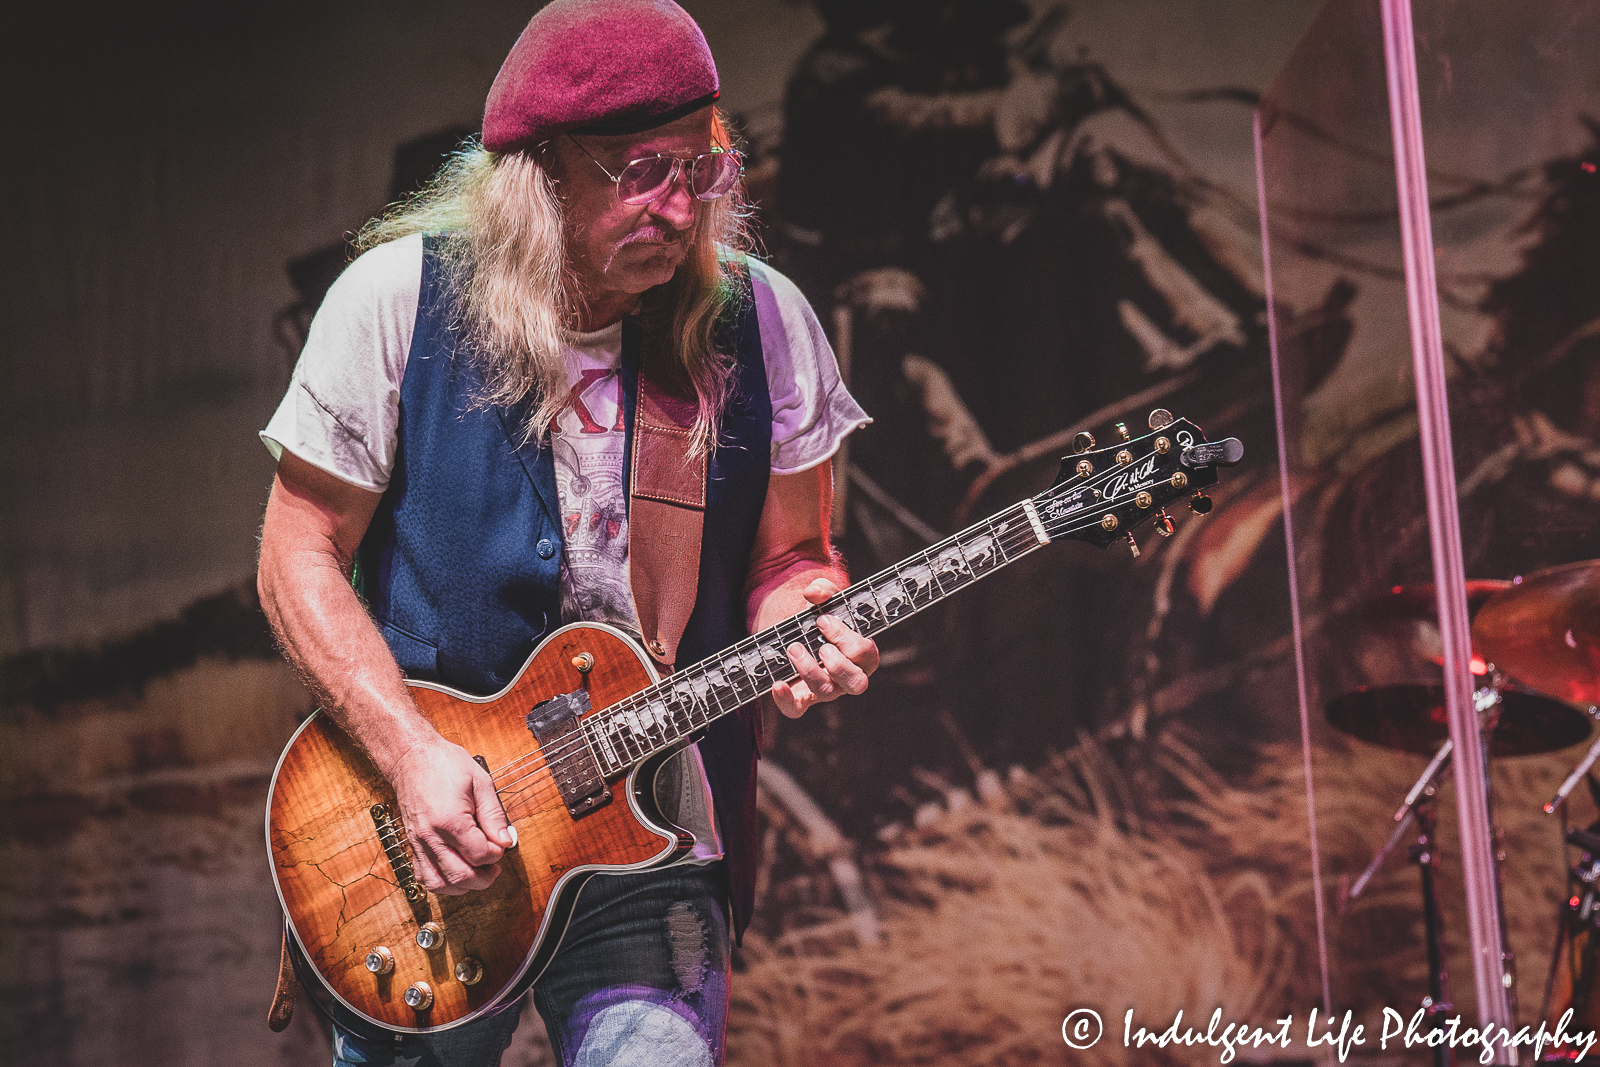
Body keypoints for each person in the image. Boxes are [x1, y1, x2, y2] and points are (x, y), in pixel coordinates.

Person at [255, 2, 879, 1064]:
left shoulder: (766, 322)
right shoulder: (395, 301)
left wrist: (806, 610)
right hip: (440, 842)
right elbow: (293, 552)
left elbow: (792, 555)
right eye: (639, 171)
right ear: (535, 174)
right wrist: (410, 753)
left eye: (701, 170)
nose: (679, 208)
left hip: (658, 838)